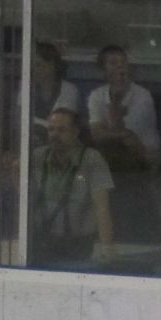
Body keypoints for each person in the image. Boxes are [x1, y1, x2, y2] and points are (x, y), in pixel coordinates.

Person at [31, 105, 114, 269]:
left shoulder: (91, 159)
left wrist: (107, 248)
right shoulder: (37, 156)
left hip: (79, 245)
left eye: (61, 130)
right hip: (42, 241)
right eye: (51, 130)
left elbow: (102, 208)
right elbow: (24, 200)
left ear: (75, 132)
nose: (55, 135)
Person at [87, 45, 159, 172]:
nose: (120, 67)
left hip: (144, 158)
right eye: (113, 63)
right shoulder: (96, 95)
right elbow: (96, 134)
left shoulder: (143, 96)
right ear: (103, 70)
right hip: (112, 157)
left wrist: (116, 103)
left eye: (123, 62)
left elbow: (128, 137)